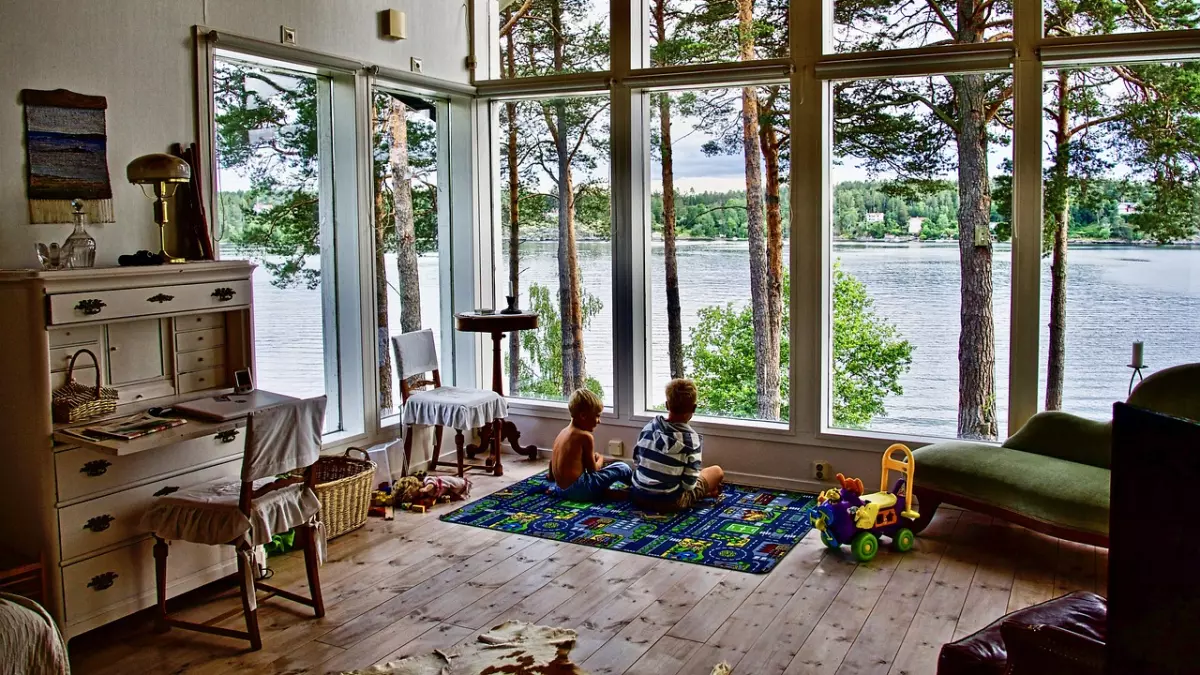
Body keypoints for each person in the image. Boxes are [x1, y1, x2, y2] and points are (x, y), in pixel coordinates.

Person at [632, 379, 724, 512]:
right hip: (670, 502)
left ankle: (704, 490)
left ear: (667, 405)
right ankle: (705, 492)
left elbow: (637, 460)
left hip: (638, 495)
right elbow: (689, 485)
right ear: (694, 408)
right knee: (716, 471)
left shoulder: (650, 426)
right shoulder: (691, 440)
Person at [549, 388, 633, 501]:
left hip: (560, 490)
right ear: (583, 416)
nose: (599, 421)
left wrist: (551, 476)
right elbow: (594, 470)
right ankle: (638, 488)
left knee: (602, 474)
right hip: (579, 490)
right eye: (597, 416)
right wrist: (600, 459)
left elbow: (551, 463)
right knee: (623, 467)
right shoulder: (585, 436)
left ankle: (605, 493)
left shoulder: (562, 433)